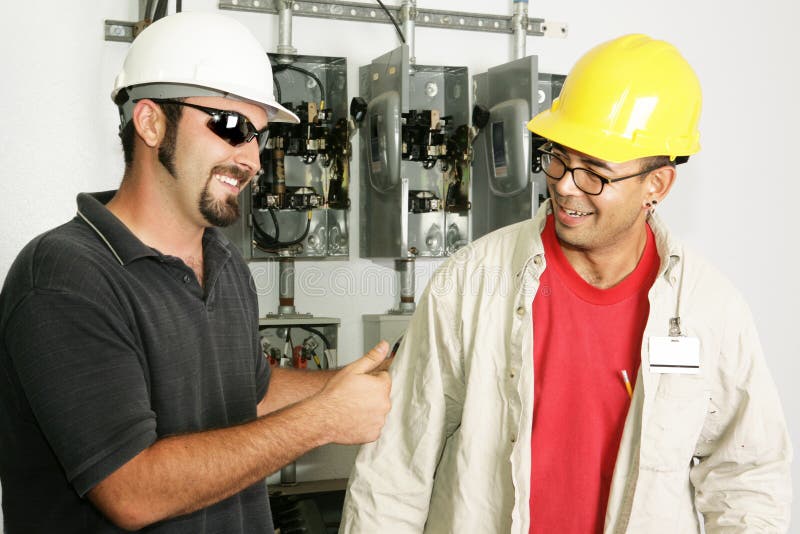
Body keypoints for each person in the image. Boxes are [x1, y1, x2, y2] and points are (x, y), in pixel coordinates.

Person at [340, 34, 792, 533]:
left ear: (656, 185)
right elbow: (396, 468)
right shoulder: (472, 282)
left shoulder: (708, 307)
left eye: (594, 173)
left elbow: (746, 478)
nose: (564, 184)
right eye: (558, 157)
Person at [0, 11, 392, 534]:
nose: (250, 158)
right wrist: (322, 420)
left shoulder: (224, 263)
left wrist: (344, 387)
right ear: (150, 122)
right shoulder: (64, 277)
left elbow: (246, 390)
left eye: (260, 135)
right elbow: (132, 489)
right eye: (231, 127)